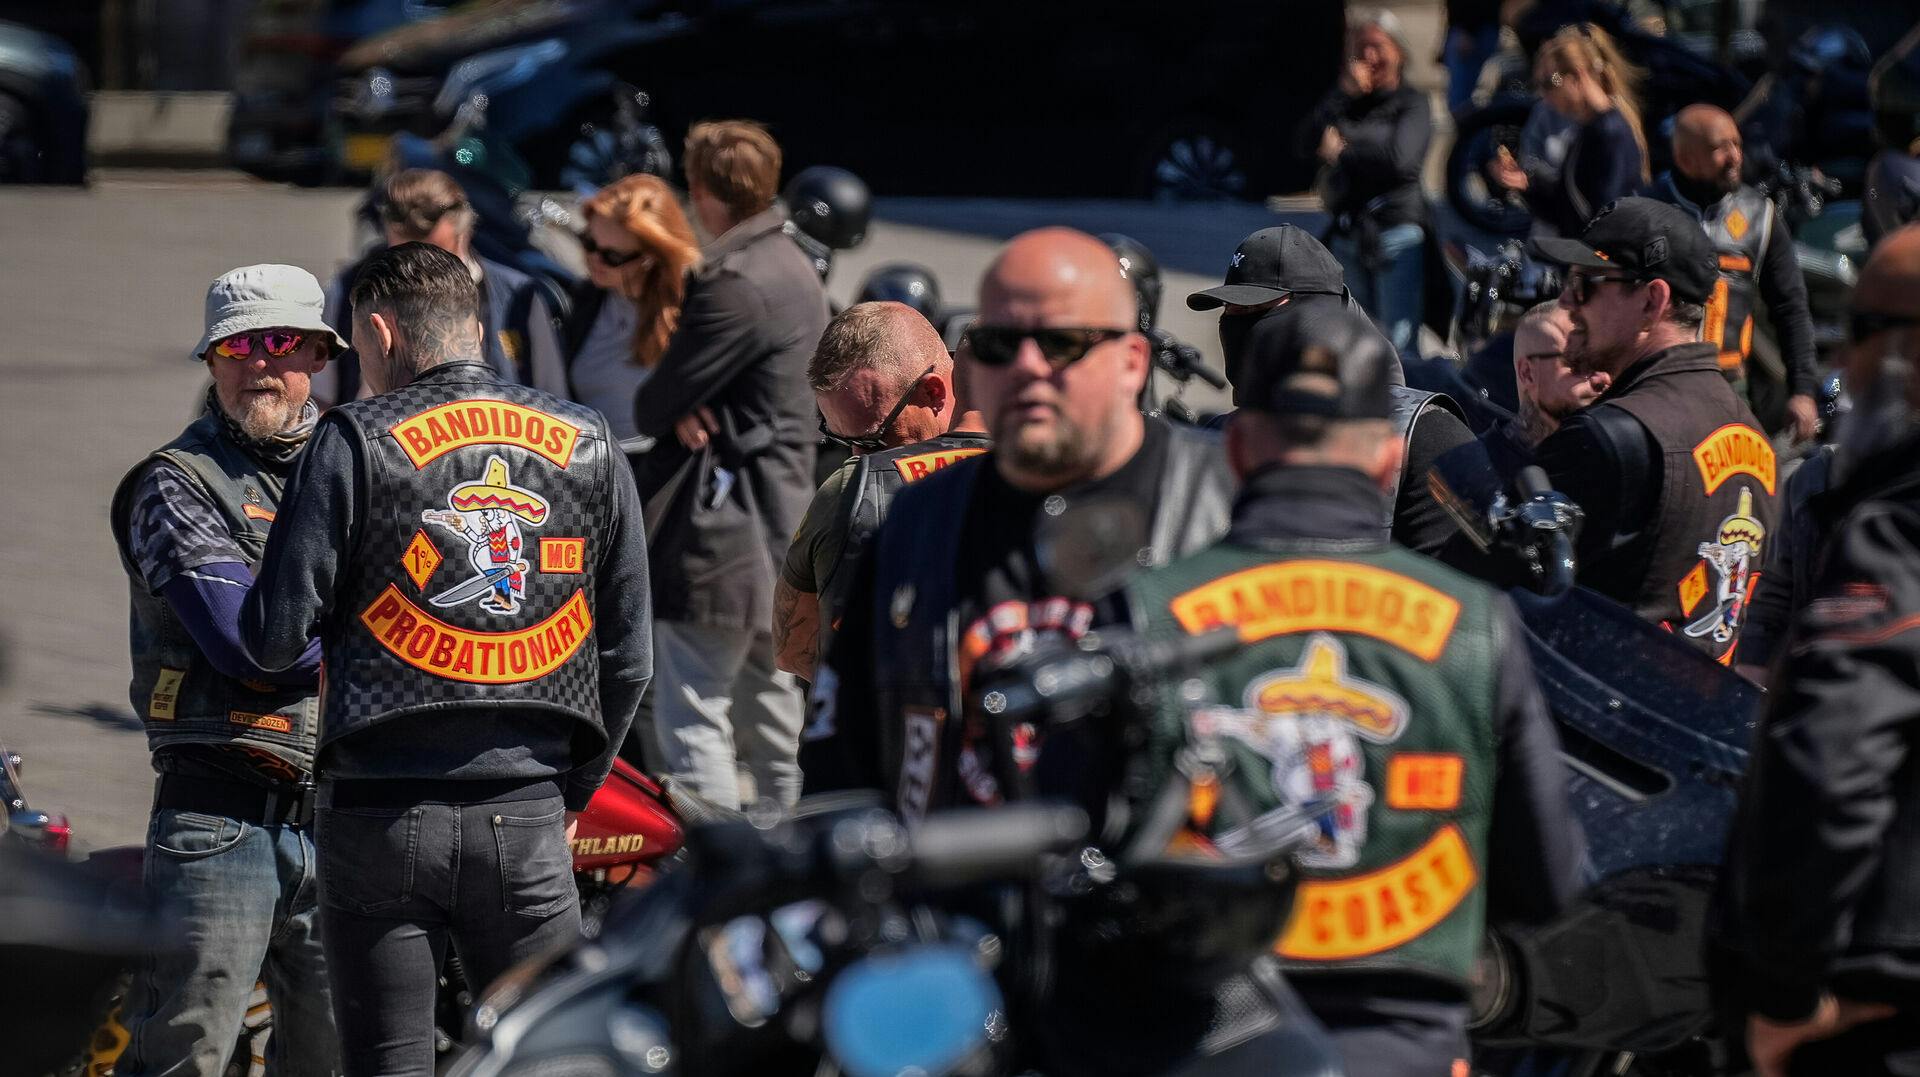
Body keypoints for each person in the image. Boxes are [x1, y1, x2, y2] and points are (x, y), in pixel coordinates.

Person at [1111, 304, 1583, 1077]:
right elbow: (1552, 884)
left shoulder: (1145, 607)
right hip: (1406, 1049)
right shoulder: (1476, 623)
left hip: (1200, 1038)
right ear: (1386, 462)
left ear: (1234, 447)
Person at [238, 243, 653, 1076]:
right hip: (530, 809)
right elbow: (629, 656)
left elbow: (273, 636)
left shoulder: (353, 437)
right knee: (550, 1060)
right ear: (480, 325)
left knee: (391, 1064)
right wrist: (570, 787)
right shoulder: (586, 439)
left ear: (383, 332)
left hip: (377, 814)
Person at [802, 227, 1234, 806]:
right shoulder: (917, 518)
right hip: (958, 883)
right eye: (1001, 344)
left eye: (1061, 343)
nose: (1028, 366)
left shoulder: (1221, 502)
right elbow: (842, 761)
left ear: (1133, 362)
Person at [107, 265, 346, 1076]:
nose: (260, 364)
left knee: (336, 1059)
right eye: (238, 344)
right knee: (184, 1054)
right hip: (218, 822)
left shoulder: (363, 464)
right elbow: (248, 648)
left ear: (318, 352)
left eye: (281, 342)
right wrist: (376, 638)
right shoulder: (176, 482)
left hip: (345, 817)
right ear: (212, 360)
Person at [1714, 223, 1920, 1077]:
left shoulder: (1899, 528)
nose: (1844, 358)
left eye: (1860, 330)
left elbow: (1829, 762)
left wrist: (1787, 999)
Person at [631, 120, 831, 811]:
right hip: (782, 527)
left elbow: (657, 401)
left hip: (725, 533)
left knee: (694, 721)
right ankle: (787, 871)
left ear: (702, 190)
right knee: (777, 728)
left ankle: (709, 882)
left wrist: (686, 400)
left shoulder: (735, 281)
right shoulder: (795, 264)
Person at [1531, 196, 1779, 664]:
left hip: (1606, 719)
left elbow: (1502, 589)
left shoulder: (1608, 436)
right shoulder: (1758, 441)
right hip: (1702, 719)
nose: (1564, 302)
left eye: (1586, 284)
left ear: (1653, 301)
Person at [1187, 225, 1477, 557]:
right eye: (1232, 313)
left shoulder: (1425, 433)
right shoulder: (1219, 434)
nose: (1240, 328)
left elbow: (1449, 587)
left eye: (1258, 311)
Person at [774, 302, 987, 679]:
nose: (858, 458)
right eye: (841, 440)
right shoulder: (1059, 472)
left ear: (933, 392)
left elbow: (795, 648)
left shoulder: (849, 488)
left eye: (874, 440)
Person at [1644, 104, 1821, 442]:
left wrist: (1802, 389)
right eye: (1719, 148)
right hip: (1657, 384)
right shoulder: (1646, 212)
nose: (1734, 156)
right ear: (1684, 159)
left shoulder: (1760, 216)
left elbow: (1791, 307)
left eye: (1736, 144)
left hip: (1729, 389)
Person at [315, 168, 564, 408]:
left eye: (437, 254)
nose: (422, 272)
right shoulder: (347, 290)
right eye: (404, 257)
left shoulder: (519, 295)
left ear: (463, 233)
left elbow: (552, 400)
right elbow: (320, 399)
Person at [1299, 8, 1432, 356]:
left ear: (1399, 52)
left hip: (1395, 233)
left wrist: (1343, 151)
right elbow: (1304, 143)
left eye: (1378, 47)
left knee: (1399, 345)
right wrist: (1341, 94)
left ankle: (1405, 407)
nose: (1369, 57)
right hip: (1349, 235)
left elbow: (1399, 160)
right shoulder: (1347, 103)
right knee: (1356, 341)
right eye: (1361, 49)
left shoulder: (1412, 103)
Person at [545, 173, 701, 441]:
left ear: (651, 258)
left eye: (612, 256)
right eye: (589, 242)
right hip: (590, 465)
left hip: (654, 471)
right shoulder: (586, 299)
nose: (594, 259)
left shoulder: (695, 310)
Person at [1490, 23, 1650, 239]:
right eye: (1539, 85)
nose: (1545, 96)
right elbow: (1568, 207)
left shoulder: (1610, 132)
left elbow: (1603, 217)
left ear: (1577, 76)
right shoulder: (1592, 128)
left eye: (1551, 82)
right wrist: (1526, 184)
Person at [1482, 300, 1608, 477]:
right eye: (1579, 363)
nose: (1602, 378)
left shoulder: (1604, 471)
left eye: (1606, 362)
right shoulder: (1477, 470)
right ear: (1527, 373)